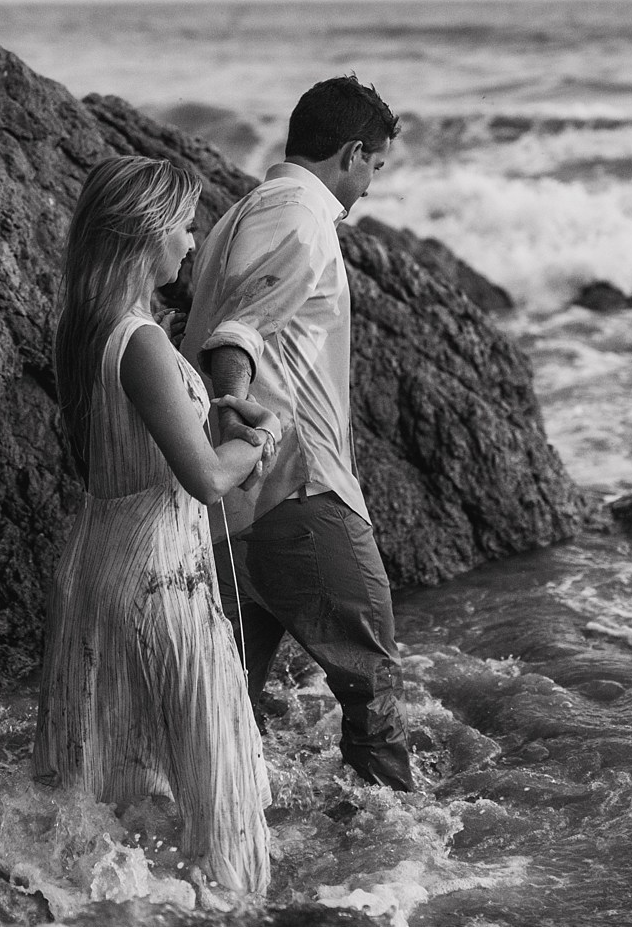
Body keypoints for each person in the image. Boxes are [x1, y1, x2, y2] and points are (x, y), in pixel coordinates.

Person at [33, 155, 280, 899]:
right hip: (156, 574)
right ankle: (228, 903)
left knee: (110, 772)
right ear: (144, 237)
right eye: (181, 226)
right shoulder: (139, 341)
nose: (193, 241)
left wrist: (208, 413)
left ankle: (107, 900)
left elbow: (122, 449)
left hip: (99, 558)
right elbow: (203, 478)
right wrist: (253, 443)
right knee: (214, 777)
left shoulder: (85, 330)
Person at [180, 75, 415, 793]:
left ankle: (235, 856)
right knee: (374, 690)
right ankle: (394, 870)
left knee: (231, 710)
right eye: (375, 166)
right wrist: (231, 404)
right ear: (352, 153)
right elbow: (237, 334)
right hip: (301, 495)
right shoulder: (302, 219)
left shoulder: (241, 217)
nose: (372, 185)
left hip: (234, 512)